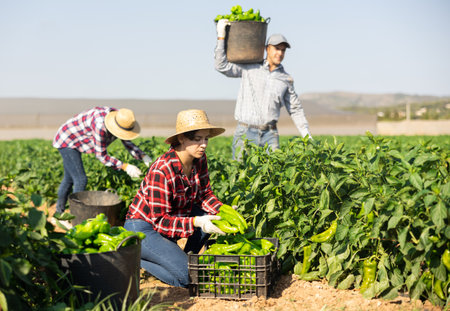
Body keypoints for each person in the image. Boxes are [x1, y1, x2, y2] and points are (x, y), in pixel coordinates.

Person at [124, 109, 226, 288]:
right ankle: (137, 257)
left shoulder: (199, 159)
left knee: (209, 215)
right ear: (181, 139)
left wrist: (226, 213)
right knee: (189, 278)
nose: (203, 145)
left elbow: (204, 194)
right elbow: (161, 221)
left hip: (172, 220)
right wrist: (196, 222)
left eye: (206, 139)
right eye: (197, 139)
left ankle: (181, 260)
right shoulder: (162, 170)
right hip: (143, 228)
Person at [215, 19, 312, 159]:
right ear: (267, 48)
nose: (280, 53)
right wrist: (221, 37)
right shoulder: (250, 67)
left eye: (283, 50)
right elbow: (221, 66)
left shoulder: (286, 79)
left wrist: (306, 134)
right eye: (277, 48)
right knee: (240, 174)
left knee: (273, 175)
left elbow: (295, 109)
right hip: (245, 132)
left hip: (270, 134)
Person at [52, 106, 152, 217]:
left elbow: (127, 142)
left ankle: (58, 214)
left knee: (69, 179)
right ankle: (75, 216)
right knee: (81, 180)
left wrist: (143, 156)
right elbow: (101, 156)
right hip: (67, 141)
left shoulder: (120, 120)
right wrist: (125, 166)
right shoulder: (100, 125)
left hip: (75, 140)